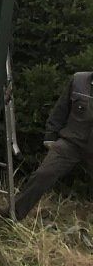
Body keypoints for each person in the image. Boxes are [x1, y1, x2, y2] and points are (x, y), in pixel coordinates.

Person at [13, 70, 93, 220]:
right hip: (71, 143)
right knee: (44, 174)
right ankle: (13, 214)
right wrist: (50, 136)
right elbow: (60, 110)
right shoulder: (78, 80)